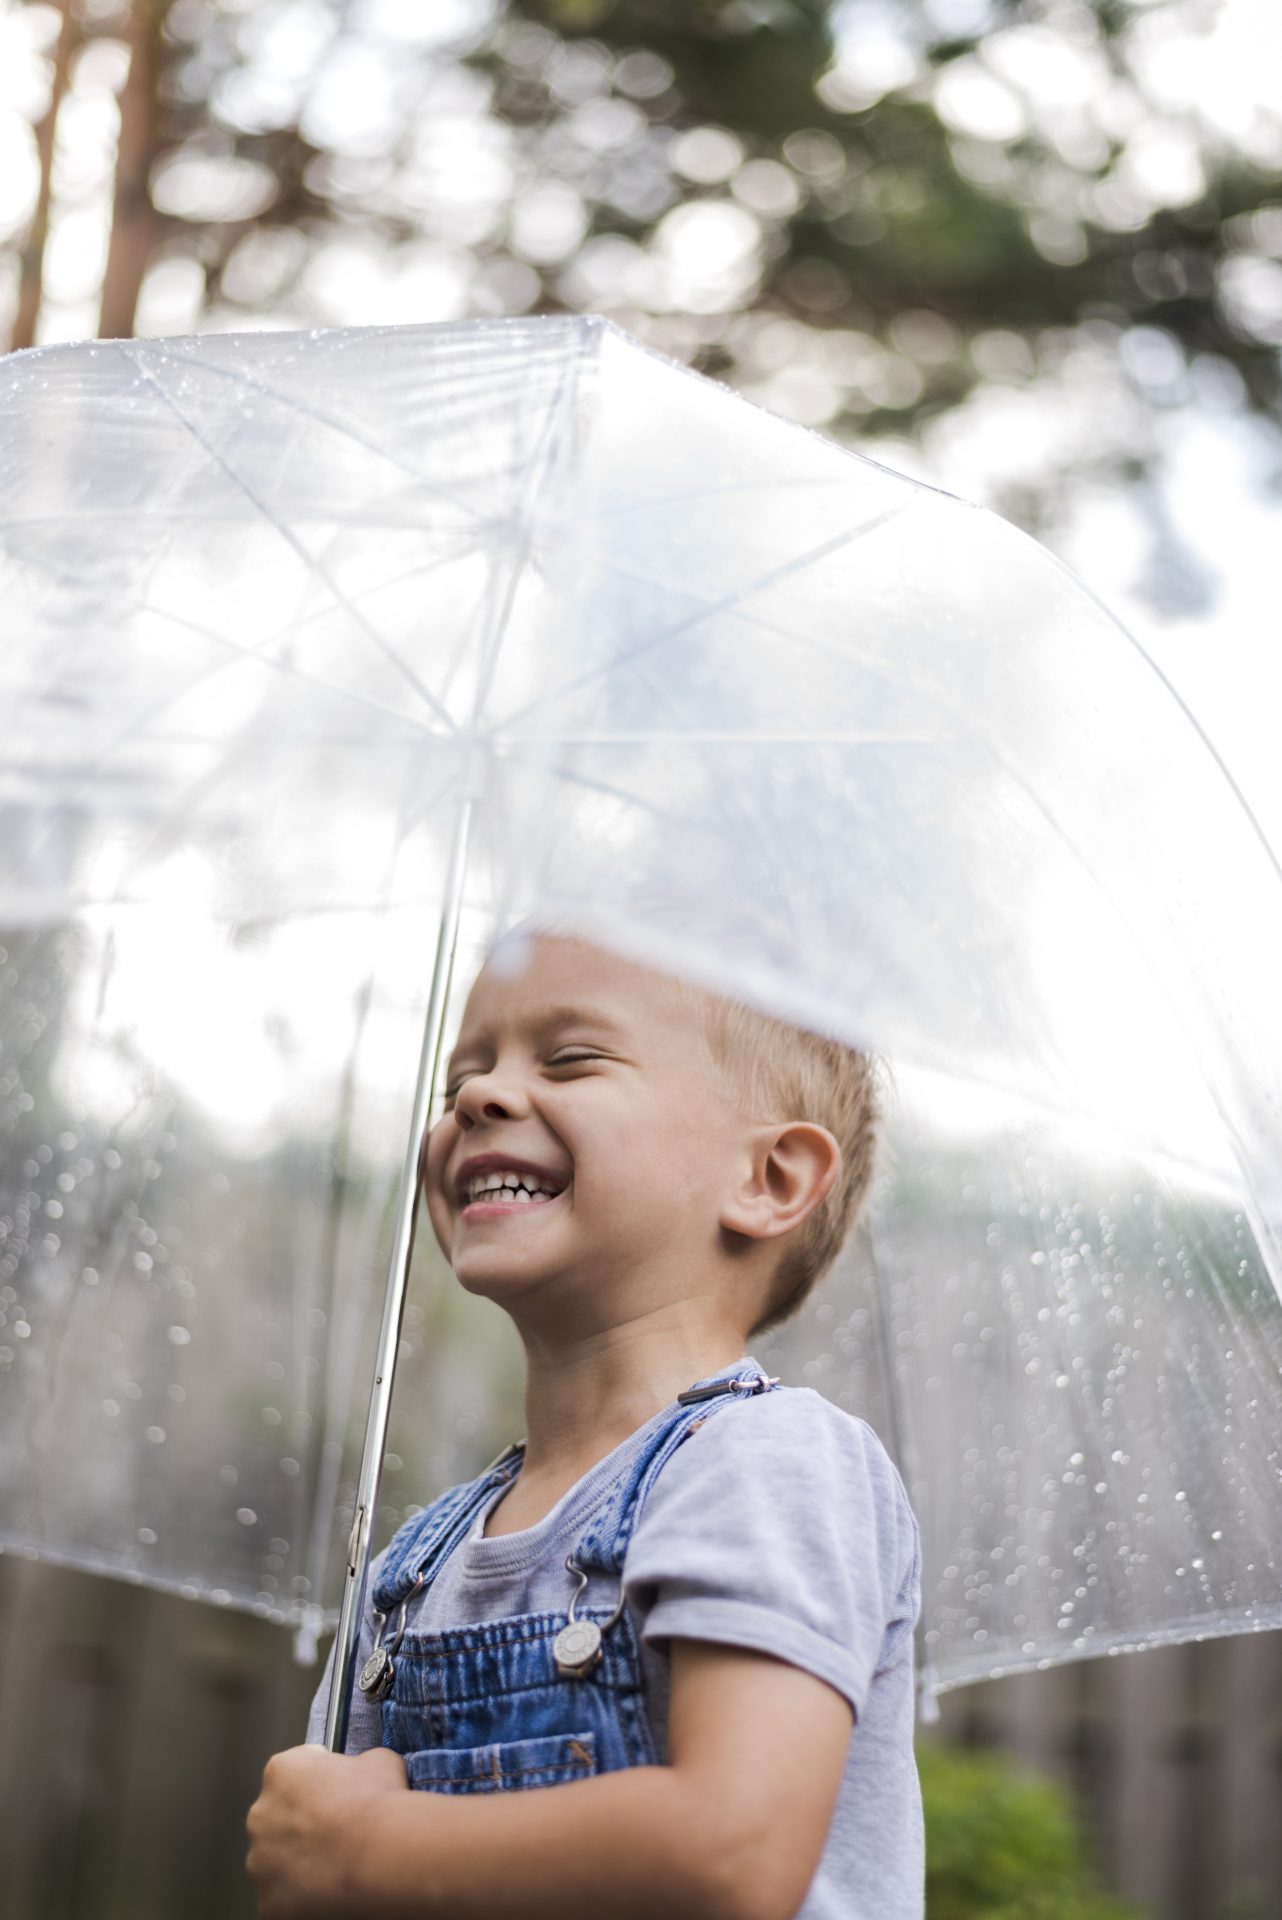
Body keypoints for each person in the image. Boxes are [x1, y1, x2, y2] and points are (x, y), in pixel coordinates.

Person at [246, 928, 923, 1920]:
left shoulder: (766, 1461)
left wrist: (366, 1848)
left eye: (568, 1059)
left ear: (768, 1179)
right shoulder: (411, 1568)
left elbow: (731, 1853)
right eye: (461, 1079)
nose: (480, 1097)